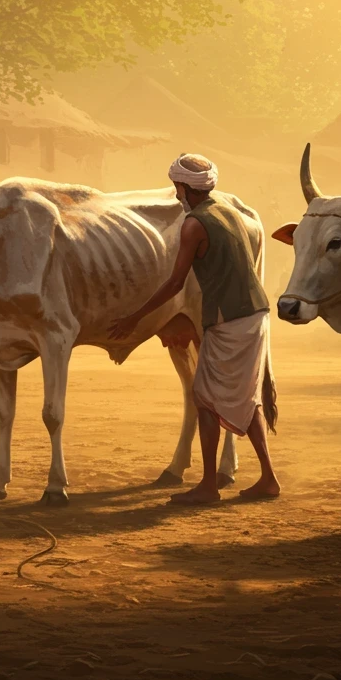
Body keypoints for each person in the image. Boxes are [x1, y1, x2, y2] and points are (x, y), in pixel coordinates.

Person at [110, 153, 280, 504]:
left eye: (178, 189)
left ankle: (207, 485)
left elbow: (175, 284)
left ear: (187, 189)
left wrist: (134, 317)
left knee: (205, 398)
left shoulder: (194, 225)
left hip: (227, 320)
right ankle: (267, 478)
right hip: (255, 314)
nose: (176, 196)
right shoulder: (230, 212)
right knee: (246, 400)